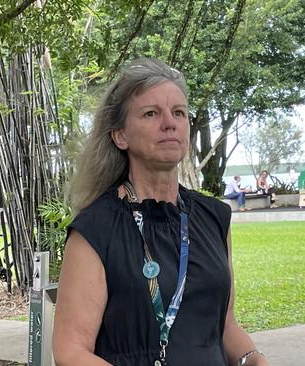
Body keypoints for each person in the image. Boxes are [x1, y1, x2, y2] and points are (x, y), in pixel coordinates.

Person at [52, 58, 270, 366]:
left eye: (178, 113)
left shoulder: (214, 218)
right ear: (120, 136)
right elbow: (70, 351)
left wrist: (253, 358)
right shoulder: (95, 230)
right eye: (151, 113)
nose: (169, 122)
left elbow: (225, 327)